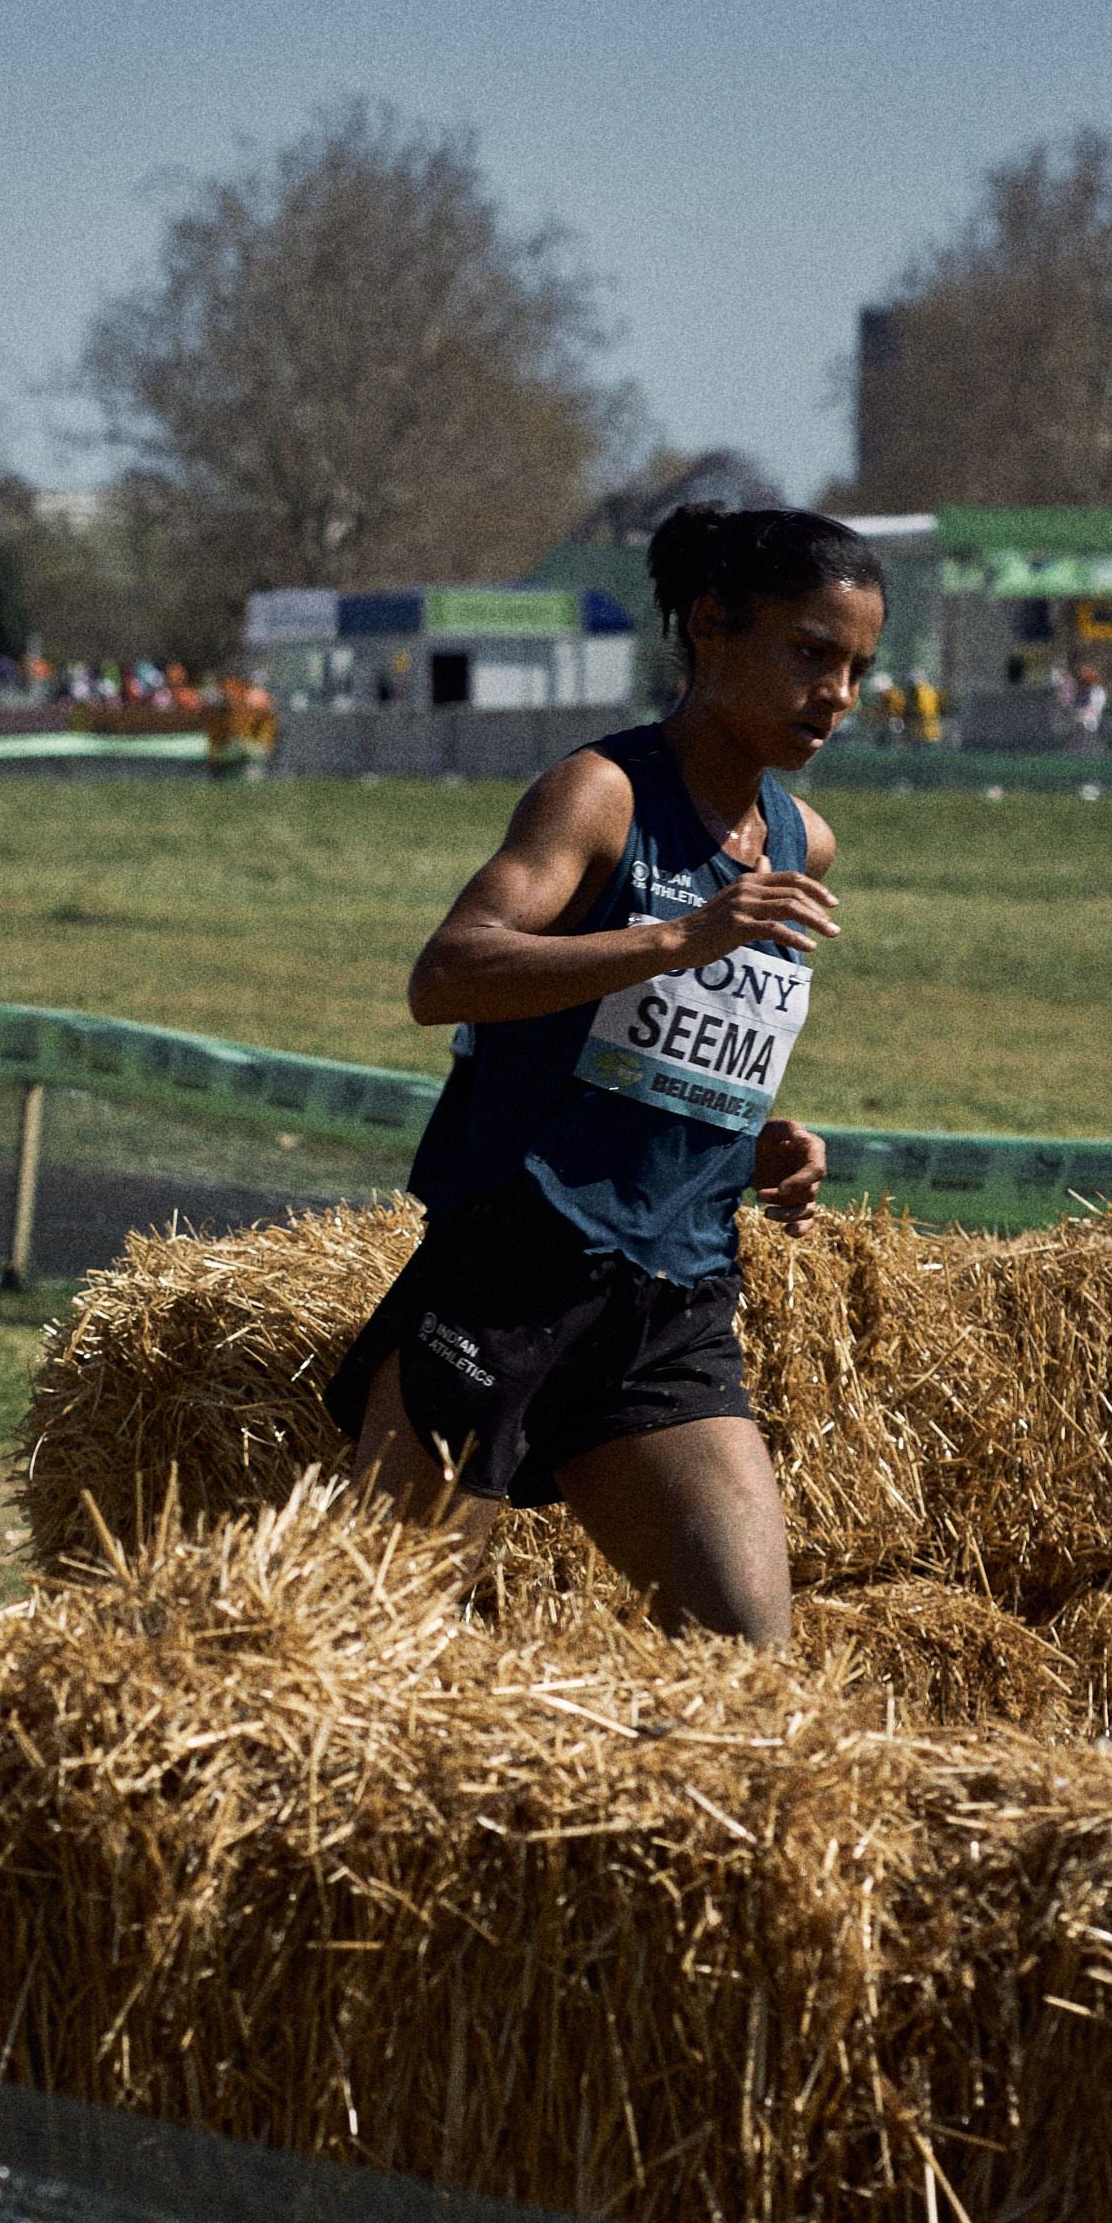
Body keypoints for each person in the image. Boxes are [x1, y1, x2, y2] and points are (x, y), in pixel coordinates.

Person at [327, 503, 886, 1647]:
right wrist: (680, 935)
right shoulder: (599, 794)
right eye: (807, 654)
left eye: (856, 669)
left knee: (746, 1667)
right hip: (517, 1269)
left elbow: (660, 1035)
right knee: (371, 1651)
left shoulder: (801, 842)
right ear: (710, 627)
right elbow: (447, 974)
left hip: (675, 1301)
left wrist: (753, 1128)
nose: (833, 695)